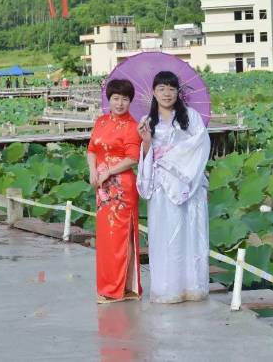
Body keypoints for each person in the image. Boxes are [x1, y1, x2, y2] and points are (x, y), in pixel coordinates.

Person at [137, 71, 211, 304]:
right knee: (165, 236)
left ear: (178, 92)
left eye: (171, 89)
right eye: (161, 89)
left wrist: (171, 158)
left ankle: (192, 286)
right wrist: (147, 142)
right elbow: (147, 155)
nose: (166, 93)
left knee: (190, 234)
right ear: (154, 92)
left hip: (189, 184)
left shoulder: (192, 117)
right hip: (162, 187)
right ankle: (168, 288)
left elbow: (200, 145)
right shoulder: (148, 122)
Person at [87, 79, 142, 304]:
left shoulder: (132, 126)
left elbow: (133, 158)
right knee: (106, 239)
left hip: (121, 188)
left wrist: (109, 171)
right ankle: (109, 286)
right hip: (101, 187)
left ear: (130, 101)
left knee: (120, 237)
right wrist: (92, 171)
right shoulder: (101, 121)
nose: (120, 103)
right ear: (109, 99)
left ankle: (119, 289)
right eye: (116, 98)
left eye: (125, 99)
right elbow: (91, 149)